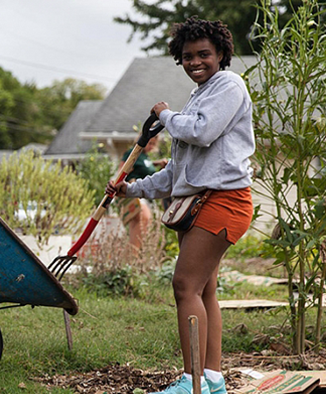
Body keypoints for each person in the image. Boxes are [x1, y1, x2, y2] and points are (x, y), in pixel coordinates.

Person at [106, 16, 254, 394]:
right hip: (200, 201)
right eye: (187, 56)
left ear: (221, 53)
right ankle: (213, 380)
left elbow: (201, 133)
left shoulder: (228, 85)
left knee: (184, 285)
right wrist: (132, 189)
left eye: (203, 54)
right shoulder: (200, 96)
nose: (195, 62)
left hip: (224, 200)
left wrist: (164, 115)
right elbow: (177, 172)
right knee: (204, 290)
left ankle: (193, 383)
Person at [119, 134, 167, 250]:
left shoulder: (146, 157)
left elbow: (146, 167)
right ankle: (133, 256)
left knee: (141, 226)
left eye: (153, 144)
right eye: (149, 143)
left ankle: (132, 257)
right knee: (143, 219)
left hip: (144, 196)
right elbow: (121, 171)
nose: (150, 146)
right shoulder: (133, 153)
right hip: (133, 193)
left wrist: (157, 163)